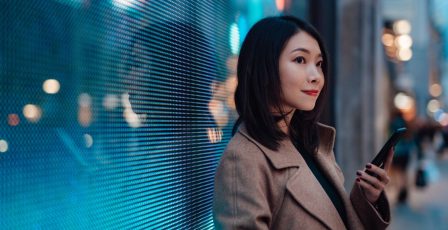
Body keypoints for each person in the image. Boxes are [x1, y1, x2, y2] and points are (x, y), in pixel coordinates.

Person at [213, 16, 392, 229]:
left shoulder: (309, 141)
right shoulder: (242, 158)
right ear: (264, 66)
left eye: (319, 64)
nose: (316, 75)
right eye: (300, 60)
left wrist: (366, 199)